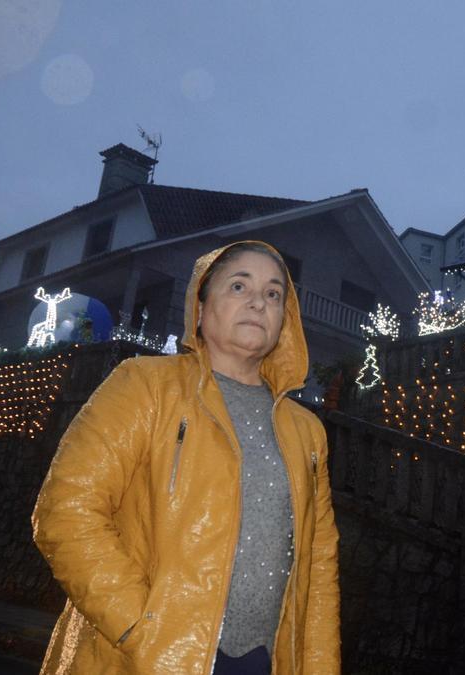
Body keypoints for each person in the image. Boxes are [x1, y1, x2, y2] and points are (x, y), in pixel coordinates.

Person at [32, 241, 340, 674]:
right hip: (144, 656)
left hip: (263, 662)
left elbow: (318, 569)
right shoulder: (145, 385)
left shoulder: (307, 431)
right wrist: (139, 627)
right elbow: (66, 511)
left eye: (273, 294)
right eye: (239, 286)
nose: (258, 301)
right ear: (199, 308)